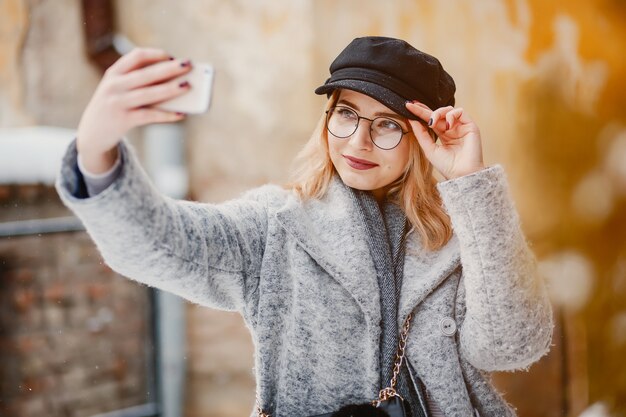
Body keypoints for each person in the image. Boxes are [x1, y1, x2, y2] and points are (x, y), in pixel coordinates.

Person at [56, 36, 554, 417]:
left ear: (422, 141)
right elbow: (158, 245)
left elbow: (513, 345)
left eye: (386, 125)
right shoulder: (277, 226)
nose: (358, 141)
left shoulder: (467, 234)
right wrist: (95, 150)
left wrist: (472, 187)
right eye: (347, 114)